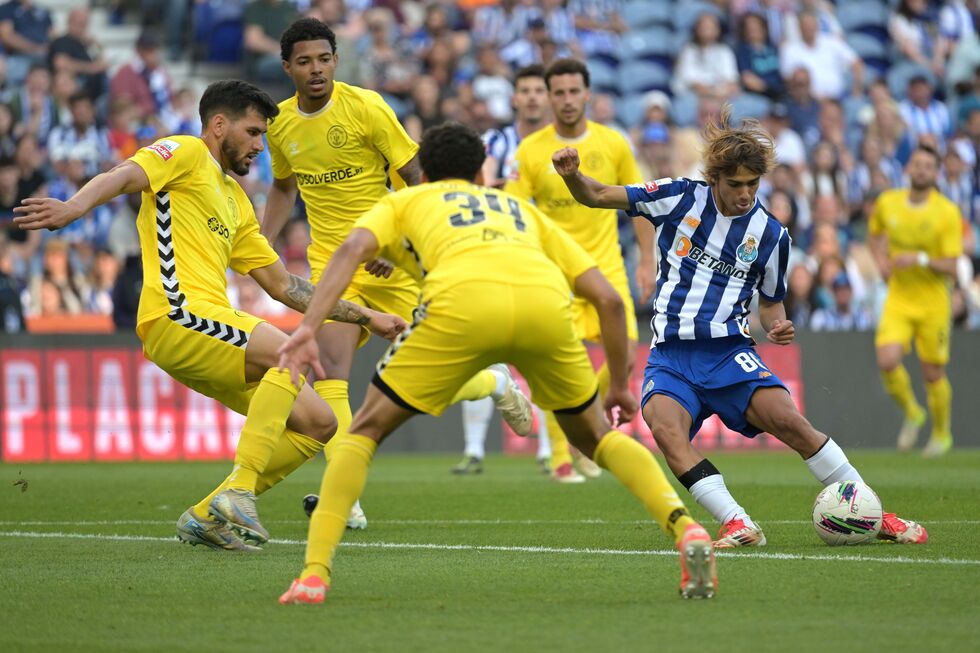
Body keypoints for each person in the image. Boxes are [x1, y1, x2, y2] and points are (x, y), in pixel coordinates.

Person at [276, 122, 717, 605]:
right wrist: (619, 385)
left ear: (423, 173)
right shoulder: (519, 210)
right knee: (598, 438)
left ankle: (315, 574)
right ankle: (686, 528)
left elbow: (350, 249)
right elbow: (610, 301)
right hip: (544, 310)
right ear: (482, 171)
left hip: (460, 309)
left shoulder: (406, 200)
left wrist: (304, 330)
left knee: (363, 432)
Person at [14, 79, 406, 552]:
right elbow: (122, 175)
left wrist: (367, 316)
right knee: (291, 351)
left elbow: (286, 286)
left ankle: (207, 515)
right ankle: (239, 491)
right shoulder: (183, 152)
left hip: (213, 327)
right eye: (253, 132)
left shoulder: (238, 202)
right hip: (176, 313)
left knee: (318, 423)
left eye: (263, 135)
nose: (260, 146)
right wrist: (73, 207)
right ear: (219, 125)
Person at [550, 105, 929, 548]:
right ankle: (738, 522)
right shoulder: (677, 197)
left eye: (753, 184)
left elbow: (771, 304)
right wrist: (572, 175)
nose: (745, 193)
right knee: (665, 429)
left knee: (792, 424)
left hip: (730, 353)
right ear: (715, 177)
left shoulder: (771, 235)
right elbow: (596, 194)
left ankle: (873, 513)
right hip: (672, 356)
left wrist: (779, 325)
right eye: (736, 184)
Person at [261, 18, 532, 525]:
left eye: (323, 59)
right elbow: (283, 188)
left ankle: (493, 384)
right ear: (287, 68)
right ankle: (347, 498)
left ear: (336, 61)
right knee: (331, 376)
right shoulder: (279, 124)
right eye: (304, 61)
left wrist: (398, 234)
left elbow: (414, 176)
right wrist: (260, 242)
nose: (315, 69)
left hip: (391, 260)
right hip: (332, 264)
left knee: (432, 373)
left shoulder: (366, 106)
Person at [506, 58, 648, 483]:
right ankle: (562, 460)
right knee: (557, 364)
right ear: (549, 98)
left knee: (625, 353)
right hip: (556, 272)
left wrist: (648, 259)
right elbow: (514, 210)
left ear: (588, 94)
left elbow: (638, 202)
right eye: (559, 93)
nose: (567, 100)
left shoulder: (614, 143)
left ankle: (581, 436)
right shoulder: (530, 150)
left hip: (606, 267)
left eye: (574, 92)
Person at [453, 63, 551, 476]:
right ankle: (474, 450)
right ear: (514, 98)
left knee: (546, 356)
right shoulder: (495, 141)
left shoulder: (558, 146)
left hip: (544, 260)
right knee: (484, 352)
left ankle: (550, 451)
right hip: (495, 257)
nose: (531, 97)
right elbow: (480, 188)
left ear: (545, 98)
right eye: (524, 90)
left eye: (537, 90)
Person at [869, 144, 963, 457]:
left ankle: (941, 433)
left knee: (932, 373)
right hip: (899, 297)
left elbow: (952, 265)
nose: (921, 170)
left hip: (934, 302)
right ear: (909, 167)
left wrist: (921, 258)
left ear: (935, 173)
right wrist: (881, 259)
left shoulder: (946, 212)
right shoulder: (888, 203)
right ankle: (913, 411)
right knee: (887, 360)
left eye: (928, 166)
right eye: (917, 164)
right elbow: (874, 234)